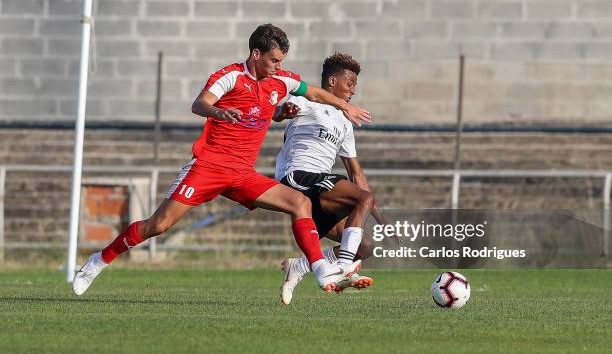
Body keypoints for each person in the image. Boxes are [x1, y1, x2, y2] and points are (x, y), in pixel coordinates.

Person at [72, 24, 371, 296]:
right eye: (274, 60)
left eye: (281, 61)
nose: (279, 66)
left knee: (299, 203)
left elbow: (316, 93)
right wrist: (219, 112)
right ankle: (99, 260)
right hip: (208, 166)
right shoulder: (230, 76)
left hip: (242, 173)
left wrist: (345, 107)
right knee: (159, 225)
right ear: (256, 54)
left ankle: (318, 268)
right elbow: (199, 103)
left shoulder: (281, 81)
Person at [273, 52, 389, 305]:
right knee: (363, 200)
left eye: (356, 85)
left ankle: (301, 266)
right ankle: (345, 266)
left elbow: (356, 173)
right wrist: (285, 111)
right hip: (298, 176)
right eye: (350, 83)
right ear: (332, 81)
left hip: (319, 190)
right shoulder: (308, 100)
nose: (353, 90)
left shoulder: (345, 121)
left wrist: (381, 219)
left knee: (365, 247)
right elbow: (278, 113)